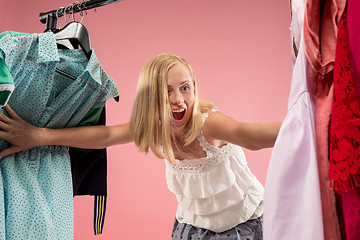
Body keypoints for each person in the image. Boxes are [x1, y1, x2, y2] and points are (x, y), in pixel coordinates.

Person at [0, 53, 281, 240]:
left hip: (244, 225)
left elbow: (250, 135)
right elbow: (106, 136)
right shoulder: (156, 127)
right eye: (166, 91)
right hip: (194, 228)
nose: (178, 100)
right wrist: (40, 136)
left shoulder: (209, 125)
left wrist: (302, 130)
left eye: (185, 88)